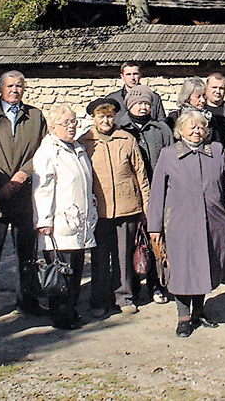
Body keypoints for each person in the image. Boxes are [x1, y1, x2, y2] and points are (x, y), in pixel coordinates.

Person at [148, 110, 225, 337]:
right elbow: (157, 193)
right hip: (179, 225)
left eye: (200, 127)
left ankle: (199, 312)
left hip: (213, 221)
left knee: (205, 266)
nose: (196, 131)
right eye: (191, 127)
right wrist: (155, 227)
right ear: (180, 131)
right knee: (182, 271)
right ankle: (183, 318)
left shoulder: (217, 151)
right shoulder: (169, 154)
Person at [0, 71, 48, 325]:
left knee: (27, 252)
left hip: (25, 196)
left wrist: (24, 173)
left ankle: (28, 300)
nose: (15, 90)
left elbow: (44, 149)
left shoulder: (34, 116)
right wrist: (1, 182)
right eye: (10, 86)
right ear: (0, 88)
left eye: (19, 86)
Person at [78, 97, 150, 317]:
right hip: (99, 210)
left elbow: (140, 174)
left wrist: (146, 207)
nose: (106, 121)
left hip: (127, 207)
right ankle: (99, 300)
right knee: (100, 258)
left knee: (123, 255)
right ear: (94, 118)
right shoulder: (85, 143)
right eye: (102, 116)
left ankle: (124, 296)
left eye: (110, 116)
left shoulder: (126, 139)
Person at [32, 105, 97, 330]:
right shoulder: (48, 151)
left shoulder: (76, 148)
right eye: (66, 123)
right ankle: (60, 316)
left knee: (75, 270)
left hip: (79, 221)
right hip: (59, 223)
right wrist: (44, 220)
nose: (71, 127)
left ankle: (70, 310)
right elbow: (43, 188)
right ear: (53, 127)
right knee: (61, 272)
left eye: (73, 122)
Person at [122, 84, 173, 304]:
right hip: (130, 195)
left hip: (158, 191)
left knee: (156, 242)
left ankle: (157, 285)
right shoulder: (120, 129)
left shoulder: (161, 129)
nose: (143, 107)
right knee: (132, 243)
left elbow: (172, 158)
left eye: (146, 103)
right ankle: (131, 289)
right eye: (138, 103)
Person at [107, 62, 166, 127]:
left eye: (135, 74)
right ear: (122, 76)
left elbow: (161, 123)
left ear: (140, 74)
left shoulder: (154, 98)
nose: (132, 78)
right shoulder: (112, 99)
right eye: (128, 74)